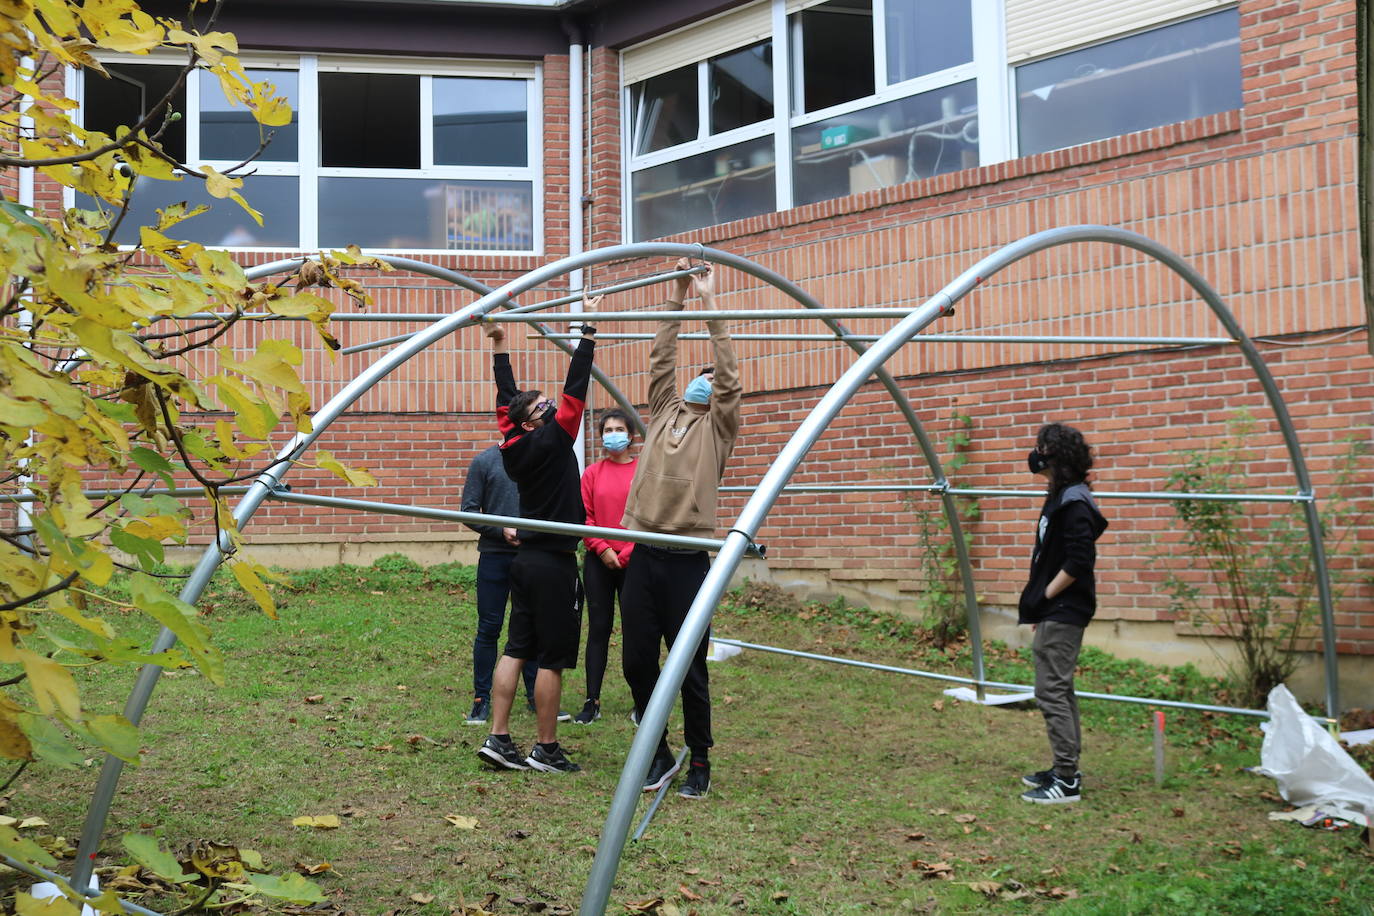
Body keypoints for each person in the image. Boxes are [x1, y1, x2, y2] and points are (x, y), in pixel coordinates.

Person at [620, 260, 740, 800]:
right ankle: (658, 750)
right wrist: (677, 292)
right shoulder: (664, 408)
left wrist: (709, 300)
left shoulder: (718, 427)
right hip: (644, 554)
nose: (706, 378)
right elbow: (662, 355)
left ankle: (701, 761)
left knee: (689, 667)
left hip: (688, 560)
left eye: (712, 378)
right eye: (704, 374)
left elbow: (729, 373)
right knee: (637, 660)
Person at [475, 309, 598, 774]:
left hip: (524, 561)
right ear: (532, 424)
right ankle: (545, 748)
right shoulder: (552, 440)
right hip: (553, 563)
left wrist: (499, 343)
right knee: (551, 658)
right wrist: (586, 337)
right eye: (543, 409)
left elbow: (506, 399)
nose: (551, 409)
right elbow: (576, 392)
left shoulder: (513, 442)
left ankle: (500, 738)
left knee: (516, 648)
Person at [1017, 423, 1108, 805]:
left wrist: (1045, 598)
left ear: (1056, 456)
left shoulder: (1075, 503)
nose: (1034, 454)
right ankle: (1064, 768)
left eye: (1041, 448)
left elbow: (1079, 561)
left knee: (1051, 691)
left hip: (1065, 609)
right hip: (1056, 609)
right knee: (1059, 688)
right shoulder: (1062, 495)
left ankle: (1067, 781)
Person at [458, 445, 542, 726]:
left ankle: (535, 695)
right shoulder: (484, 461)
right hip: (494, 557)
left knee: (530, 627)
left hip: (531, 557)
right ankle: (481, 700)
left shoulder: (540, 457)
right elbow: (469, 511)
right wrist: (500, 530)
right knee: (489, 627)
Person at [573, 408, 640, 725]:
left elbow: (648, 518)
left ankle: (643, 701)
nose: (613, 434)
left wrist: (625, 552)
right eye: (608, 429)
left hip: (634, 561)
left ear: (631, 435)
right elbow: (585, 518)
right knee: (598, 629)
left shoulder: (644, 472)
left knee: (636, 631)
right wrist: (602, 549)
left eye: (619, 428)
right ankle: (591, 700)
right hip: (599, 562)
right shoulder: (592, 473)